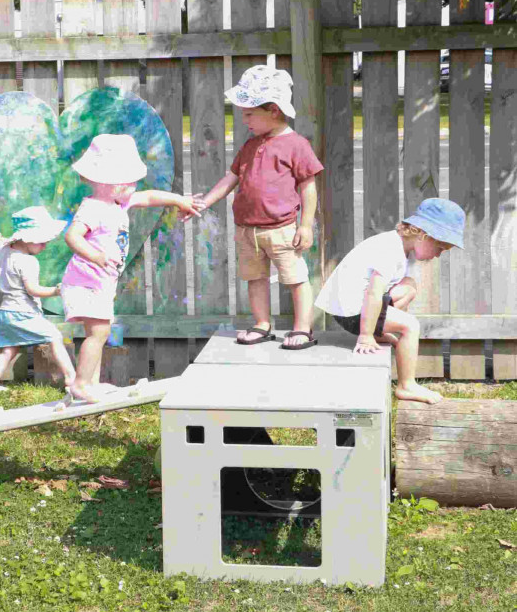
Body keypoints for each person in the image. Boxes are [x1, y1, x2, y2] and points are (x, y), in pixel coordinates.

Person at [61, 133, 203, 403]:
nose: (135, 186)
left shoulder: (119, 202)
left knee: (98, 332)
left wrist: (178, 200)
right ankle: (80, 384)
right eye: (130, 183)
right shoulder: (92, 208)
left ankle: (90, 383)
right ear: (112, 185)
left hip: (100, 283)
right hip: (84, 281)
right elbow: (72, 237)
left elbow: (149, 197)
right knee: (99, 332)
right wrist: (97, 256)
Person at [194, 66, 324, 349]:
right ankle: (262, 325)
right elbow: (232, 178)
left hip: (282, 230)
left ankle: (302, 329)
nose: (244, 119)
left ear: (274, 110)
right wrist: (205, 202)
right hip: (246, 231)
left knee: (296, 279)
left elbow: (308, 187)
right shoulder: (251, 145)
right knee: (255, 278)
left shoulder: (296, 145)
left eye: (250, 112)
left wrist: (305, 225)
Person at [315, 197, 466, 405]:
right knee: (411, 326)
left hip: (357, 306)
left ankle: (383, 329)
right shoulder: (389, 250)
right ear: (423, 235)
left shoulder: (394, 244)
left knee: (409, 284)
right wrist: (366, 335)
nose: (438, 255)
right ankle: (406, 385)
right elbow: (373, 294)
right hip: (351, 312)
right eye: (440, 248)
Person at [0, 206, 75, 393]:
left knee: (9, 350)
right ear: (27, 238)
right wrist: (56, 291)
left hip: (6, 313)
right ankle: (71, 378)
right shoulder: (29, 262)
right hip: (22, 312)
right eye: (42, 242)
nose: (45, 246)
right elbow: (33, 290)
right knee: (55, 337)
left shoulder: (5, 252)